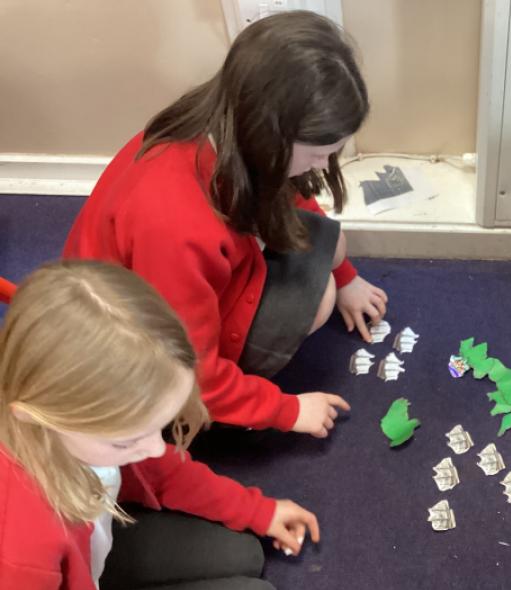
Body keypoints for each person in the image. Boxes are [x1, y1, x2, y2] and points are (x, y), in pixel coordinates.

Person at [63, 11, 385, 436]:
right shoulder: (175, 226)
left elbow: (289, 193)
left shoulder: (225, 124)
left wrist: (346, 277)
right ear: (270, 136)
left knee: (330, 246)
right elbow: (191, 368)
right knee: (318, 294)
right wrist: (286, 411)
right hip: (139, 357)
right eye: (318, 153)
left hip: (169, 292)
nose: (325, 166)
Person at [0, 261, 320, 590]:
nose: (157, 448)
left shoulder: (80, 428)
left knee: (244, 554)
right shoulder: (20, 551)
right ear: (42, 419)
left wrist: (257, 511)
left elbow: (160, 469)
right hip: (55, 573)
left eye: (159, 428)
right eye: (127, 442)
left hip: (86, 547)